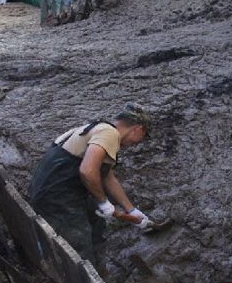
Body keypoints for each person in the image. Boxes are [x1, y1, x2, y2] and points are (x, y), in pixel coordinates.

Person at [29, 103, 152, 263]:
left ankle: (99, 264)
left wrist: (131, 210)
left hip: (54, 190)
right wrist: (104, 202)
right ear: (138, 128)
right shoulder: (109, 134)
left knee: (95, 219)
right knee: (78, 245)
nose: (138, 142)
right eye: (143, 136)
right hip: (55, 198)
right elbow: (87, 170)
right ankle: (83, 279)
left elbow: (107, 177)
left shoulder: (97, 129)